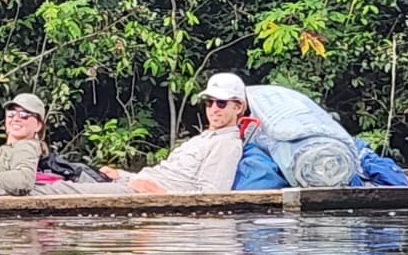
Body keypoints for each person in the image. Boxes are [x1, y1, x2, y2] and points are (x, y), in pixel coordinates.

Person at [33, 73, 247, 196]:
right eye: (209, 102)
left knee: (64, 190)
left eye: (221, 102)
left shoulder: (227, 144)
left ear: (238, 107)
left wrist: (156, 193)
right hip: (136, 186)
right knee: (67, 174)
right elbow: (162, 174)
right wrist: (125, 175)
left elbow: (211, 197)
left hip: (149, 198)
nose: (213, 109)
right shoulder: (203, 138)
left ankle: (9, 194)